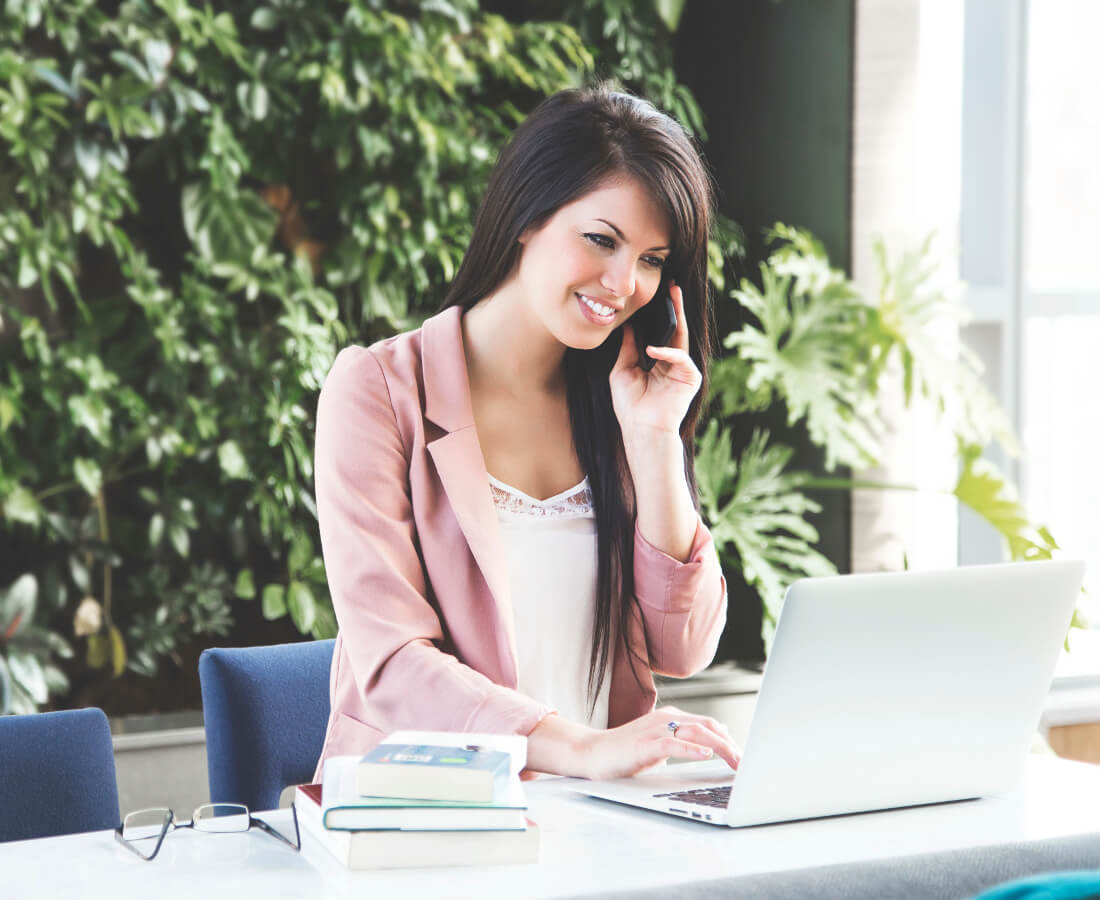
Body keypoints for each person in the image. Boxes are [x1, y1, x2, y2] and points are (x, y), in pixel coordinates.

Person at [312, 84, 739, 783]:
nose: (624, 282)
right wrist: (578, 747)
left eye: (653, 259)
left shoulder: (622, 401)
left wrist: (656, 441)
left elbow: (684, 647)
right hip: (429, 819)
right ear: (524, 217)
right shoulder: (380, 391)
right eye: (601, 240)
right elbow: (390, 662)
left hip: (600, 826)